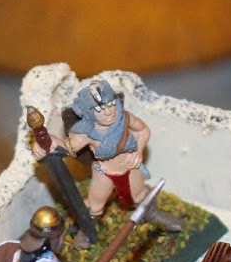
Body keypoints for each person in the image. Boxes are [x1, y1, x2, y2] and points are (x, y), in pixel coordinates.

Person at [32, 78, 182, 231]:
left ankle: (152, 214)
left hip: (130, 166)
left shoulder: (125, 118)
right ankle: (88, 230)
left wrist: (138, 151)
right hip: (104, 172)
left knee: (140, 194)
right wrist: (49, 141)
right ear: (90, 112)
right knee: (95, 203)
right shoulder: (87, 132)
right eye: (99, 109)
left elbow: (143, 131)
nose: (108, 112)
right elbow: (67, 146)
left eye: (111, 104)